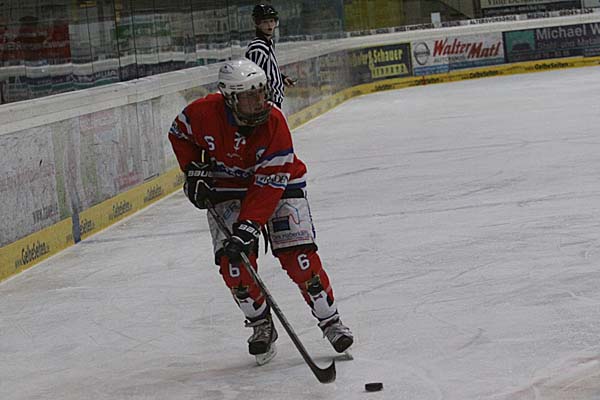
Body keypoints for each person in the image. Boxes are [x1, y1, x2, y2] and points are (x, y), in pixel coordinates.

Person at [168, 58, 353, 365]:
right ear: (230, 98)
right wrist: (193, 169)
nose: (259, 101)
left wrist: (248, 226)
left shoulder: (274, 121)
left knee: (299, 257)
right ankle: (261, 324)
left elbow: (269, 185)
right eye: (249, 96)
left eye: (261, 92)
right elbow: (179, 133)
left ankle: (330, 320)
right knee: (234, 264)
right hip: (228, 188)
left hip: (281, 184)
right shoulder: (201, 113)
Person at [245, 4, 295, 109]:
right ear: (257, 23)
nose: (269, 25)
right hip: (267, 102)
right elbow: (255, 78)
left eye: (271, 21)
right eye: (265, 22)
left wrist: (282, 78)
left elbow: (266, 70)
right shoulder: (258, 47)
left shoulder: (267, 43)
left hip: (273, 100)